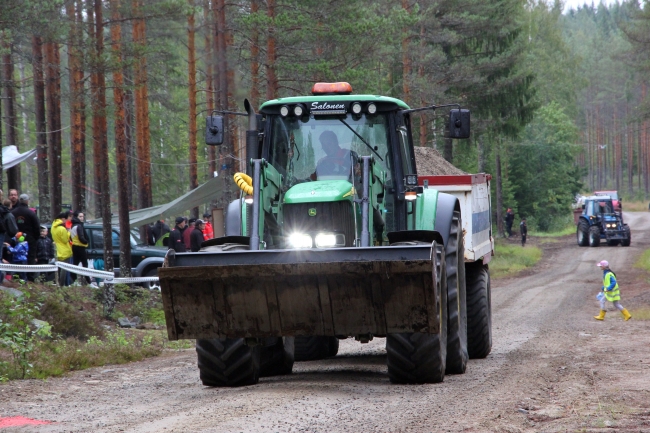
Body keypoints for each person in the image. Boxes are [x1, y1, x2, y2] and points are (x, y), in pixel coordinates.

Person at [11, 193, 41, 280]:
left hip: (16, 239)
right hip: (29, 239)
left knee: (16, 258)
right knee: (30, 258)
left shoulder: (13, 213)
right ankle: (30, 278)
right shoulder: (31, 213)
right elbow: (37, 227)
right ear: (27, 201)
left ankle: (17, 277)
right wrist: (35, 238)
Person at [52, 211, 73, 286]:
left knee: (58, 268)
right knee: (64, 270)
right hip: (64, 250)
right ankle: (62, 284)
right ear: (63, 219)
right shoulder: (62, 229)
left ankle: (57, 282)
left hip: (57, 249)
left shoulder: (53, 226)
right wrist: (68, 232)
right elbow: (65, 240)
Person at [70, 211, 90, 285]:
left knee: (75, 264)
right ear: (76, 217)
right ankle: (89, 282)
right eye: (80, 216)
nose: (82, 218)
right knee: (85, 264)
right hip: (80, 247)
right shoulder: (79, 225)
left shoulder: (73, 225)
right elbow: (81, 237)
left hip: (75, 246)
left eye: (82, 216)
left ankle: (73, 281)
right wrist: (86, 242)